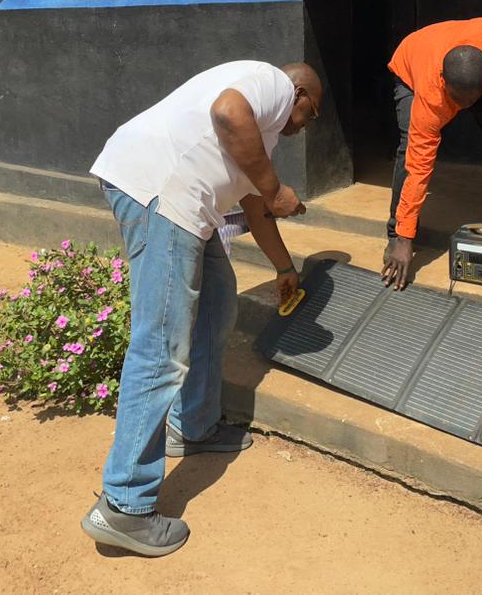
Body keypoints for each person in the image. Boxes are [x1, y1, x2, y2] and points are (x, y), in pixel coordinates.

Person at [82, 61, 322, 556]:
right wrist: (277, 190)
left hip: (187, 208)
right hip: (164, 197)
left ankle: (193, 426)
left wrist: (283, 268)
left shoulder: (266, 130)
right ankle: (125, 505)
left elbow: (255, 208)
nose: (306, 124)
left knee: (216, 306)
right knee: (161, 347)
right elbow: (227, 112)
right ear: (298, 91)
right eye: (310, 112)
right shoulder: (271, 85)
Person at [382, 18, 482, 290]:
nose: (462, 109)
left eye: (470, 101)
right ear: (445, 83)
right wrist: (406, 238)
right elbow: (419, 169)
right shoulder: (432, 101)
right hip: (412, 62)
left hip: (467, 66)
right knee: (410, 151)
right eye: (456, 101)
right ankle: (396, 231)